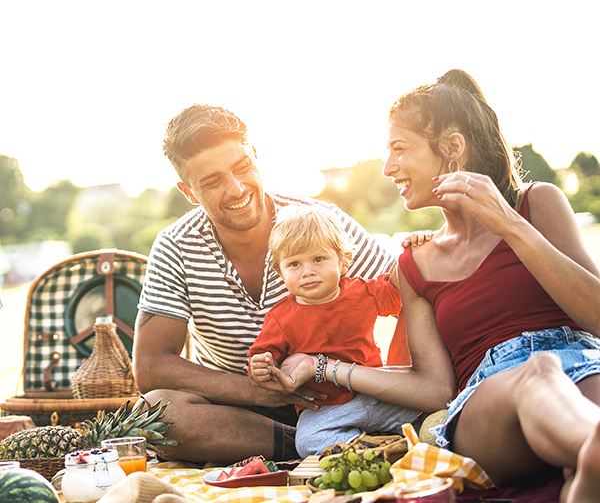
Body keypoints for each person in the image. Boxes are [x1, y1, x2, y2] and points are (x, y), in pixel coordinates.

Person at [264, 70, 600, 503]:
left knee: (574, 462)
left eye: (399, 149)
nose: (387, 168)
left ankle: (587, 462)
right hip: (489, 403)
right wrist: (326, 367)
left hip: (584, 362)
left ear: (453, 148)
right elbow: (436, 389)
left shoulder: (537, 204)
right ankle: (591, 447)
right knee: (539, 373)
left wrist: (512, 226)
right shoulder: (414, 264)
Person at [132, 103, 400, 465]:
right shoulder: (175, 245)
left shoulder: (319, 223)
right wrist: (257, 392)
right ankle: (310, 445)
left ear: (255, 156)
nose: (236, 188)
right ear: (189, 192)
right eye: (212, 181)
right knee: (154, 413)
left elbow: (410, 296)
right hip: (242, 414)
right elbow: (151, 366)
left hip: (346, 400)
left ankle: (332, 438)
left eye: (242, 168)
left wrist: (401, 382)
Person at [247, 205, 421, 457]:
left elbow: (402, 289)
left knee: (429, 411)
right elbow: (262, 358)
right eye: (294, 263)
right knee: (307, 440)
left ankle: (394, 442)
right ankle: (371, 448)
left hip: (376, 393)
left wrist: (413, 250)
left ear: (344, 261)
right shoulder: (280, 318)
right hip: (327, 409)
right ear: (280, 271)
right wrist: (261, 366)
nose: (308, 271)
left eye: (318, 259)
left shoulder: (363, 293)